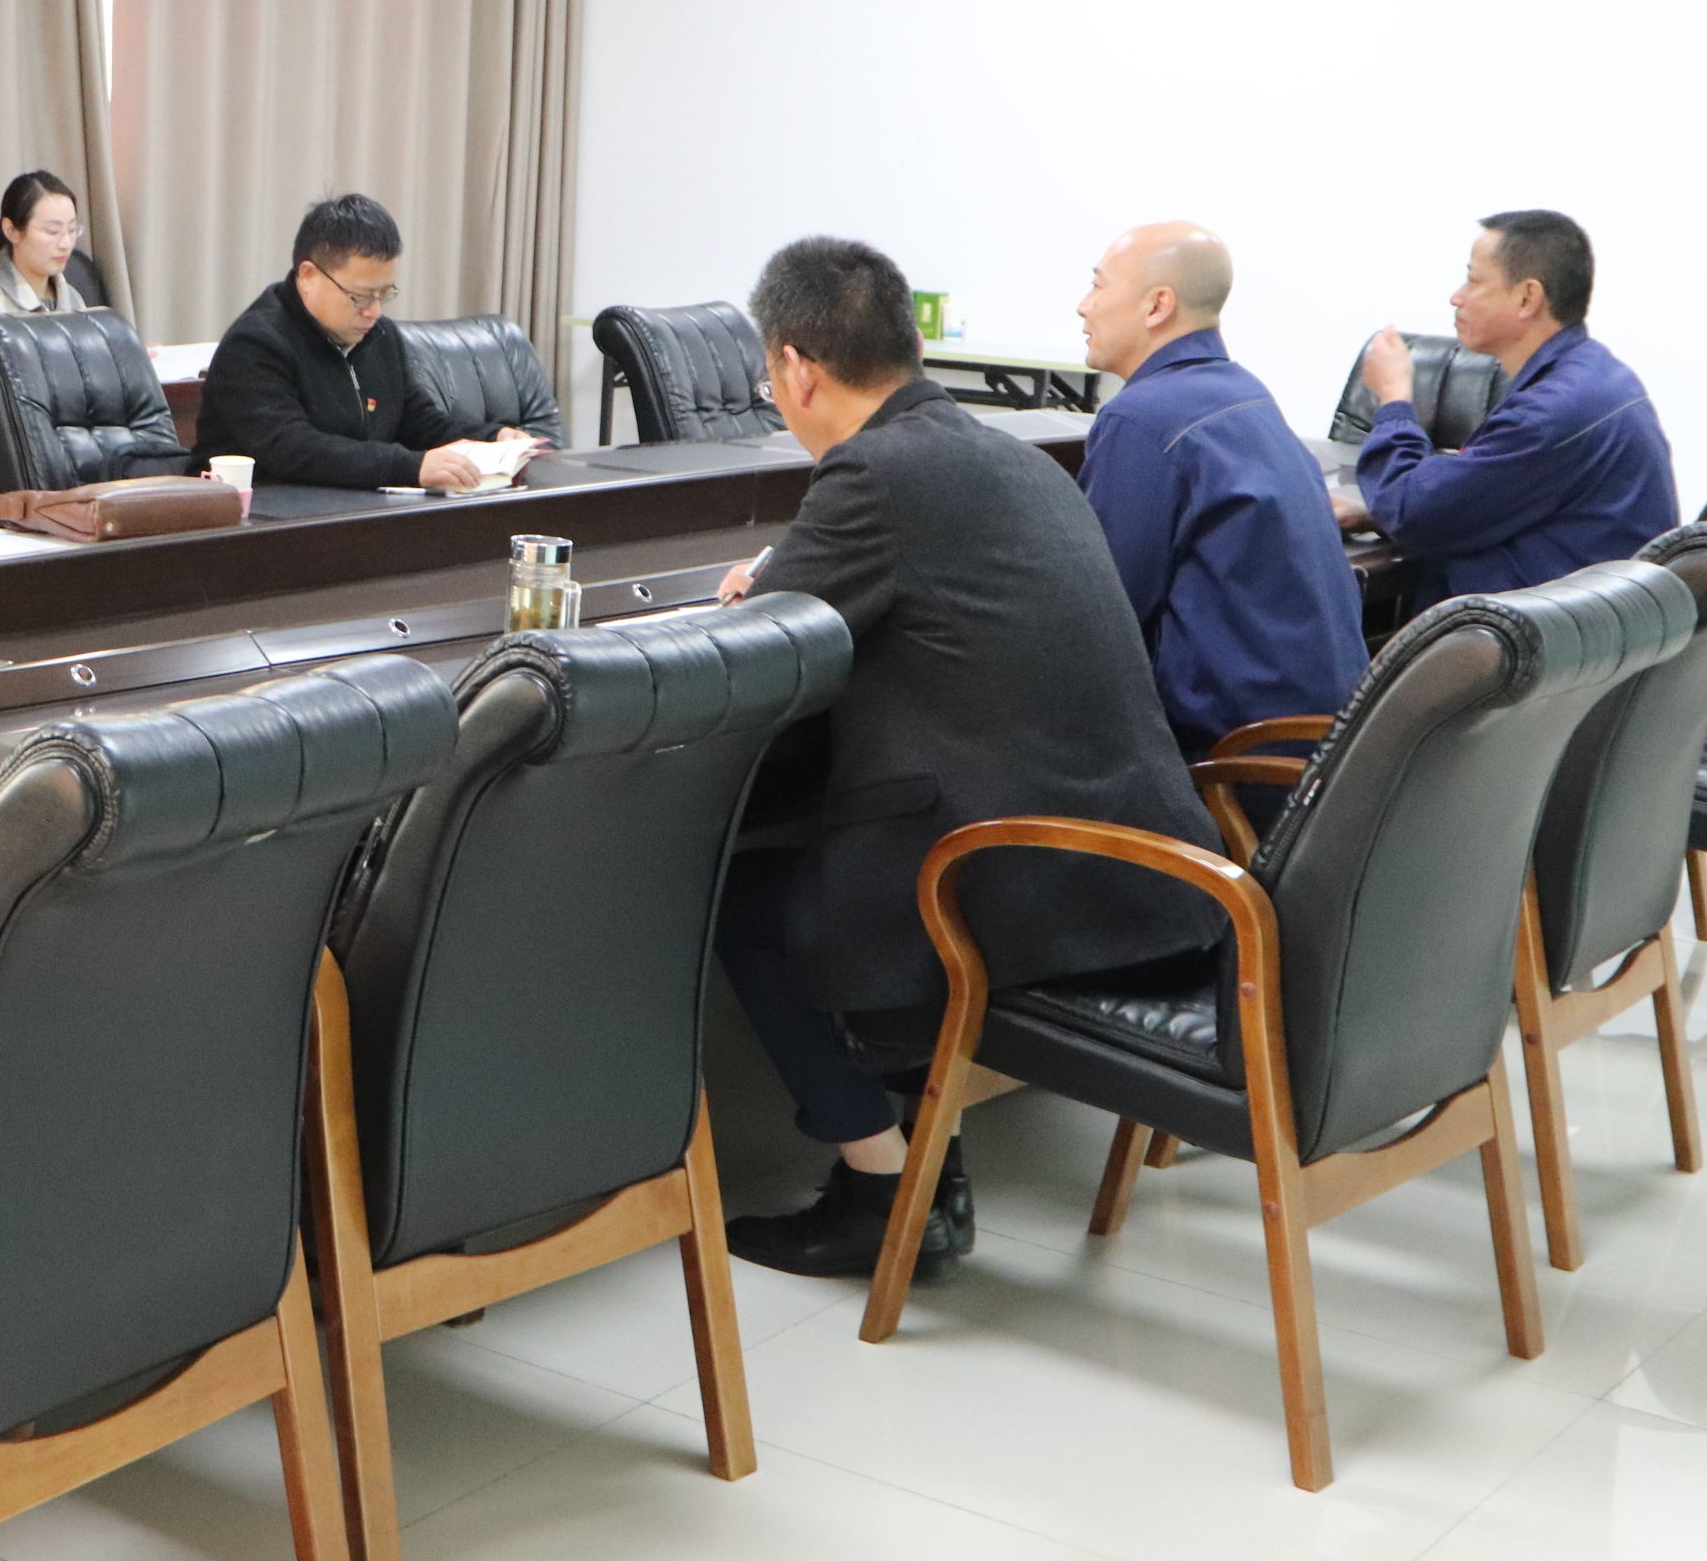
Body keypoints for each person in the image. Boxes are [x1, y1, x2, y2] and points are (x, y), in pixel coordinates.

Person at [712, 237, 1222, 1281]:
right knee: (856, 826)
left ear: (797, 367)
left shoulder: (872, 472)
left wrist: (754, 590)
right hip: (1143, 863)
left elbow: (757, 648)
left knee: (743, 901)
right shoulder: (1006, 455)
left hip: (1032, 884)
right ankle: (912, 1153)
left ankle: (879, 1185)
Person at [1074, 222, 1367, 755]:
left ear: (1157, 306)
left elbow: (1103, 616)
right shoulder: (1246, 392)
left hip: (1235, 761)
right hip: (1327, 746)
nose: (1083, 306)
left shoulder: (1142, 418)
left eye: (1097, 285)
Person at [1337, 211, 1676, 597]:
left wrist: (1394, 396)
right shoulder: (1596, 374)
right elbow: (1486, 505)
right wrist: (1374, 516)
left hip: (1534, 628)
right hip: (1588, 615)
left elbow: (1411, 514)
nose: (1456, 297)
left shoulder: (1551, 414)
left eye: (1474, 280)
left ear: (1527, 298)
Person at [191, 193, 537, 490]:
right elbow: (293, 449)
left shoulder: (379, 336)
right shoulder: (255, 344)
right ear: (309, 276)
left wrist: (492, 439)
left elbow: (418, 422)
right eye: (360, 296)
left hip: (353, 508)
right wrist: (409, 467)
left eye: (384, 294)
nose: (374, 311)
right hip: (264, 517)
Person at [0, 171, 93, 318]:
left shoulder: (73, 299)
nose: (66, 244)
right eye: (52, 231)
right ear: (11, 231)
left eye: (72, 230)